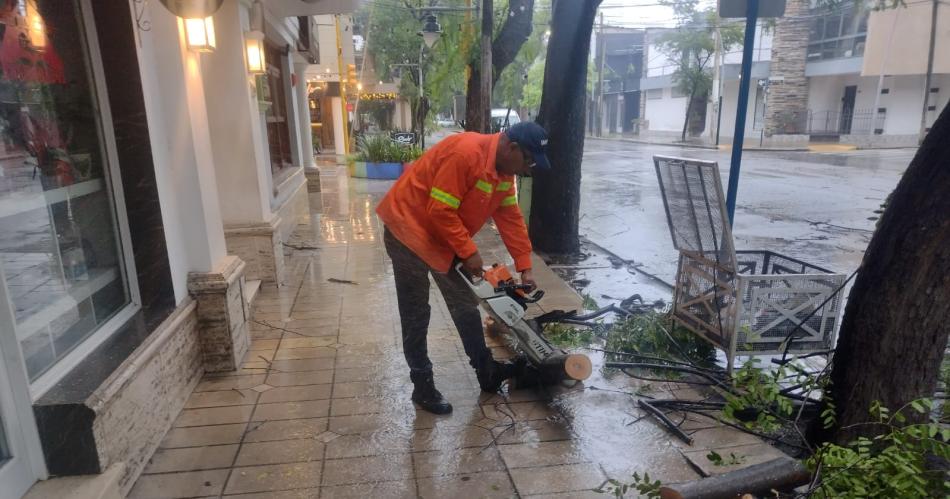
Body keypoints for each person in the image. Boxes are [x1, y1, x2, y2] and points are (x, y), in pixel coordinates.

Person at [376, 121, 550, 414]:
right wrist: (469, 252)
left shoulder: (505, 173)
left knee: (465, 304)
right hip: (408, 229)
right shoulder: (466, 153)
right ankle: (422, 385)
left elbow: (510, 217)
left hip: (443, 235)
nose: (529, 168)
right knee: (416, 311)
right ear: (513, 148)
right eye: (528, 159)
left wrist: (525, 267)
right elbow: (440, 210)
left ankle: (487, 373)